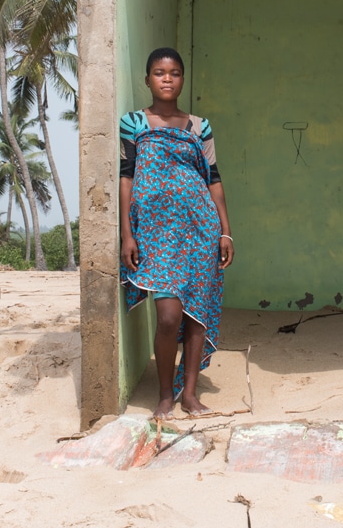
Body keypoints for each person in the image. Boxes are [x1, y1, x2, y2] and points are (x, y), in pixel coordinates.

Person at [119, 47, 234, 419]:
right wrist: (127, 234)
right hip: (156, 234)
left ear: (182, 78)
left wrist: (225, 233)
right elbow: (126, 178)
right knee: (168, 317)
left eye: (174, 73)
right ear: (148, 78)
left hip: (200, 229)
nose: (167, 78)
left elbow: (213, 180)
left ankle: (189, 395)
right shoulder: (133, 123)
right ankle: (164, 396)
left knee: (196, 316)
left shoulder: (200, 127)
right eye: (159, 72)